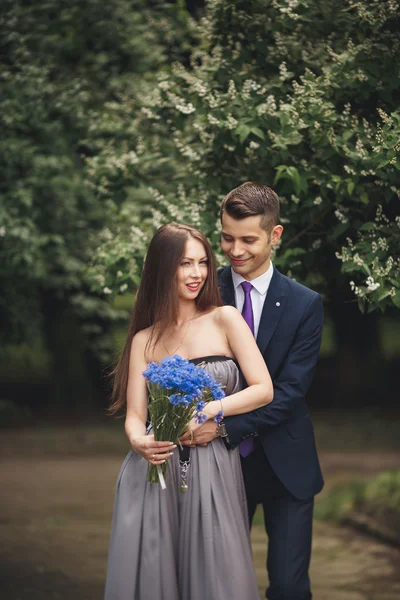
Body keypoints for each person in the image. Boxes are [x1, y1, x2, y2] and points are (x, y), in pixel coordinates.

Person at [104, 222, 273, 600]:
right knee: (154, 571)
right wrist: (139, 441)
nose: (197, 274)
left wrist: (211, 410)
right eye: (185, 264)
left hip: (212, 463)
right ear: (164, 269)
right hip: (154, 468)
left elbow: (263, 389)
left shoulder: (225, 318)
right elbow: (135, 413)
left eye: (202, 263)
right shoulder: (144, 339)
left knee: (216, 569)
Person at [183, 183, 324, 600]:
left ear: (274, 235)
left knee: (288, 587)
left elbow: (290, 392)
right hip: (217, 466)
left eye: (248, 239)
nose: (235, 249)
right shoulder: (203, 293)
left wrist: (223, 427)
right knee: (216, 583)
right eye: (226, 238)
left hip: (287, 465)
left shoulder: (305, 304)